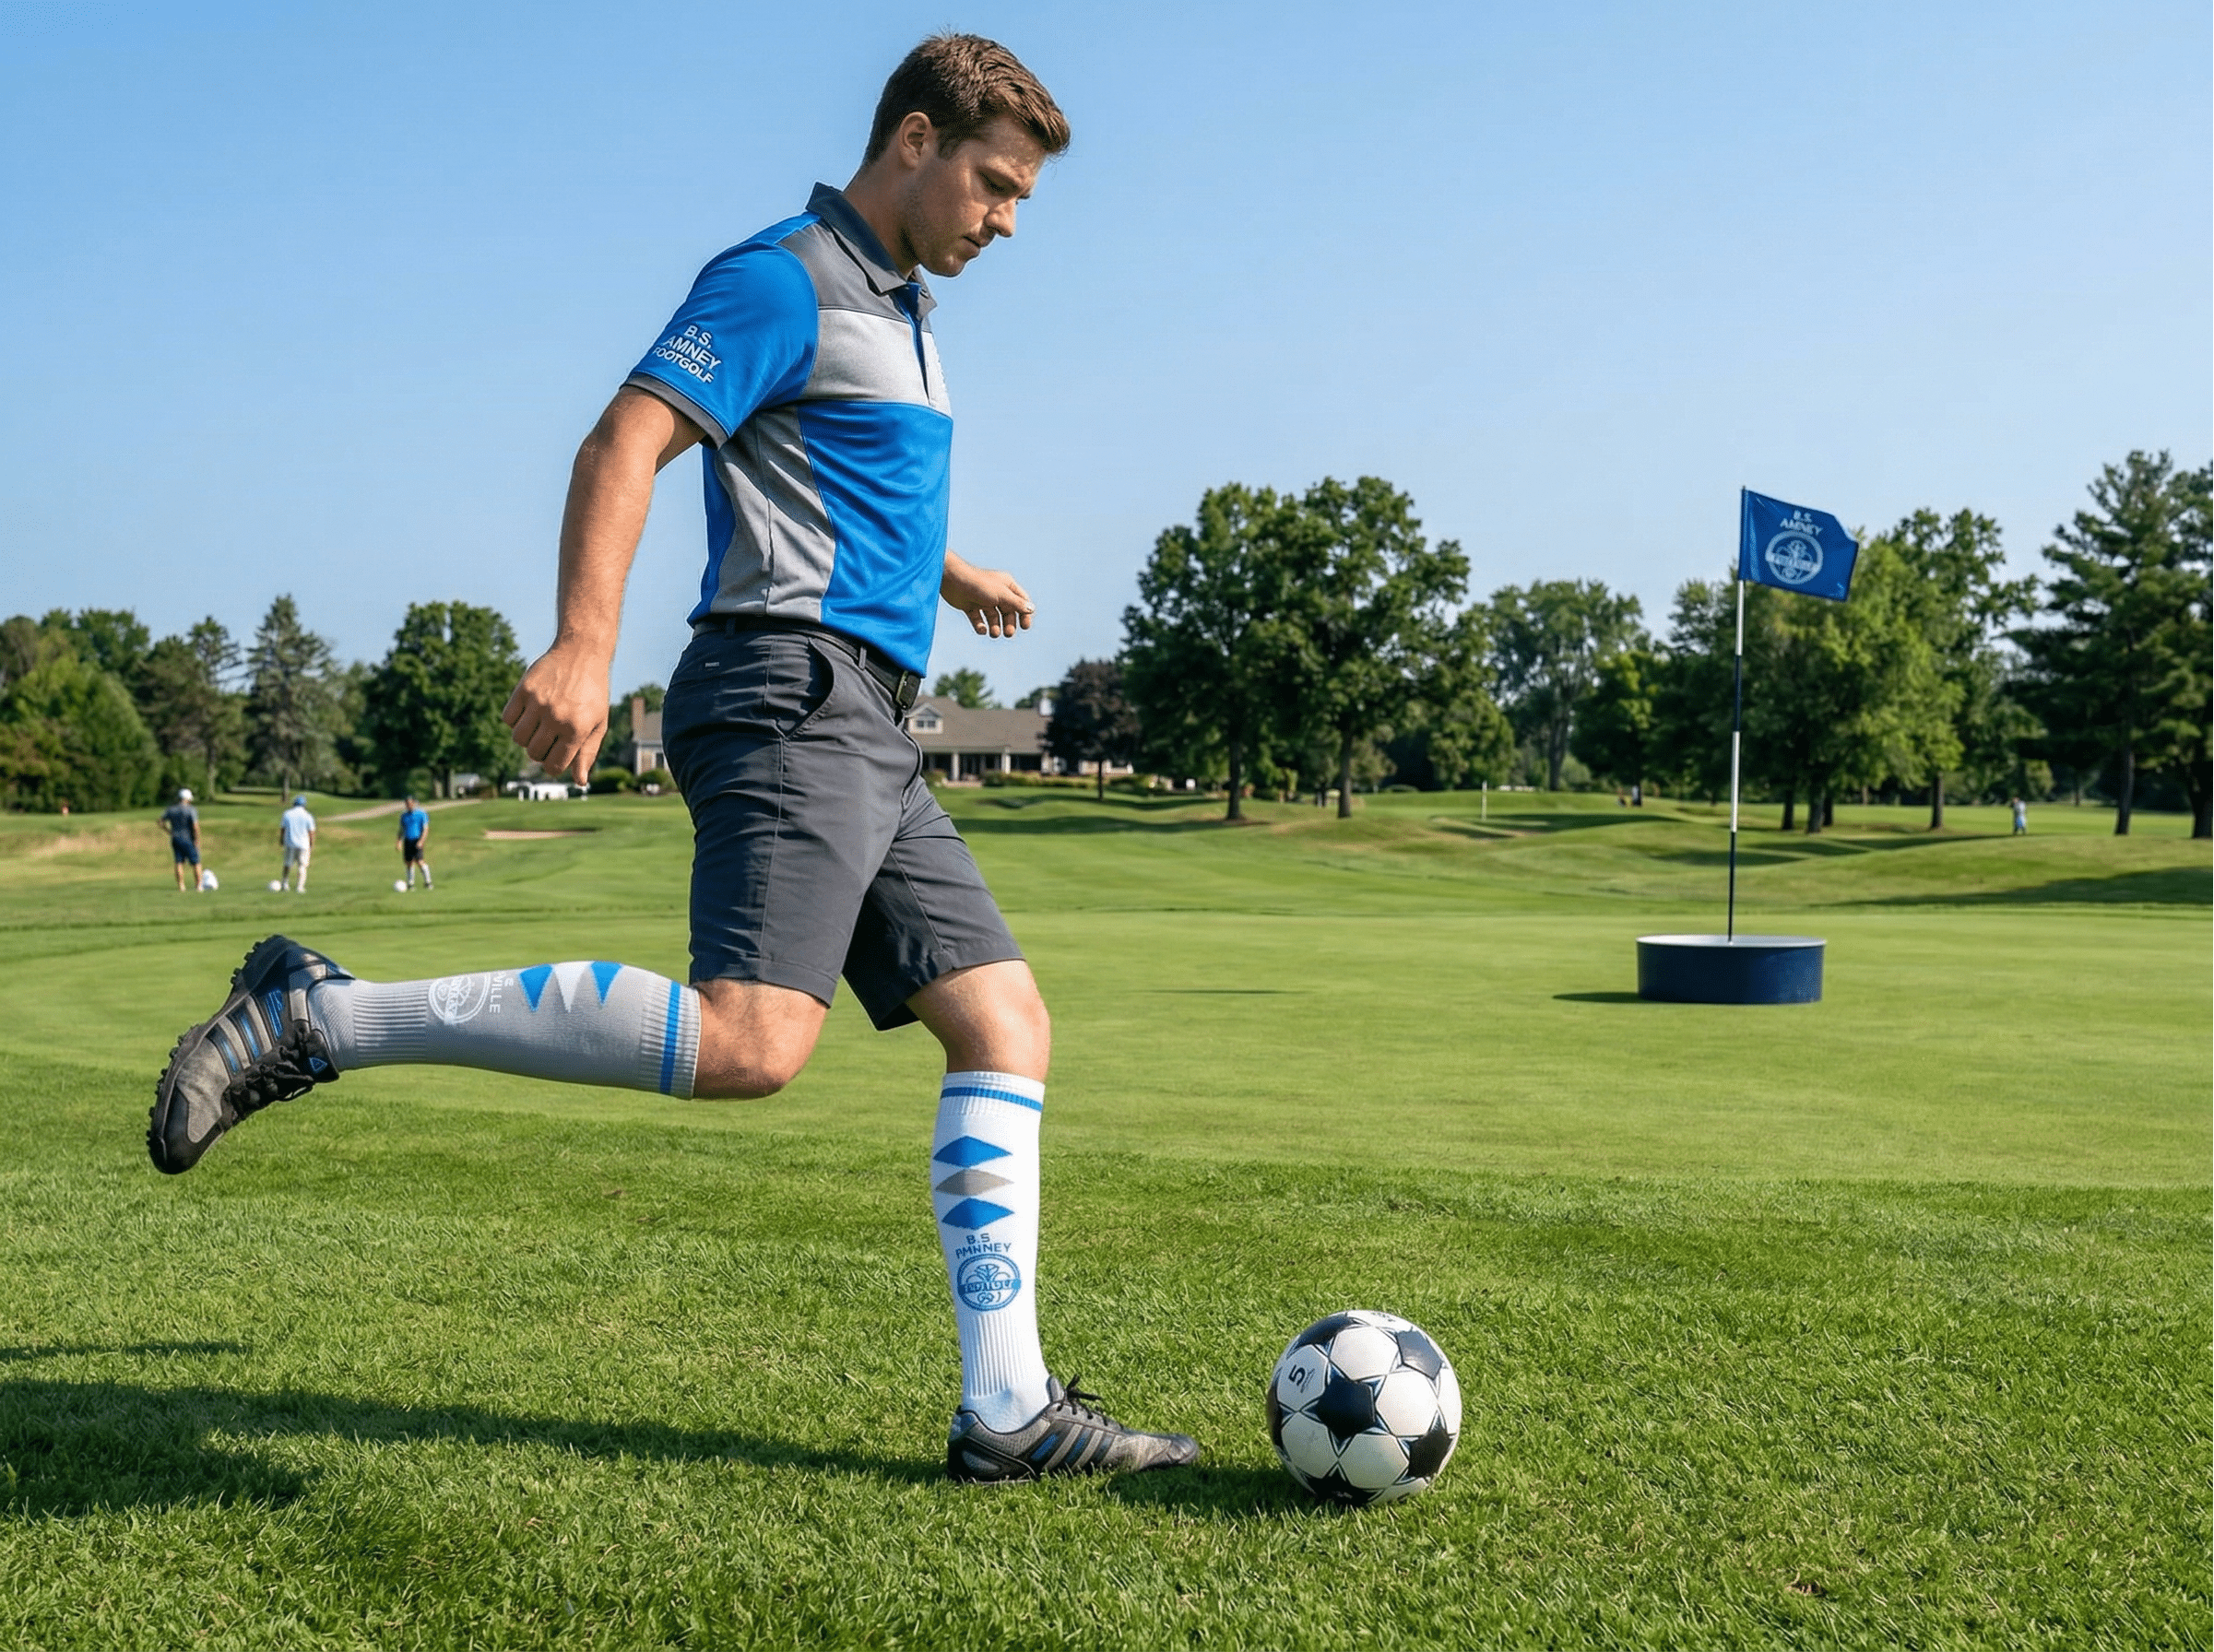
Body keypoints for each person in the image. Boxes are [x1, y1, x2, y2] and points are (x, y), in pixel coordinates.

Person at [148, 35, 1195, 1487]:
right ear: (911, 139)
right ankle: (318, 1013)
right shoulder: (780, 277)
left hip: (871, 713)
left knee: (1004, 1024)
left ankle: (1007, 1413)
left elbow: (827, 475)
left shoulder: (902, 311)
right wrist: (585, 643)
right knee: (755, 1040)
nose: (1006, 219)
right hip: (788, 691)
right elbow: (624, 441)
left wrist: (947, 575)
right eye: (996, 185)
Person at [161, 788, 203, 892]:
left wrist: (169, 831)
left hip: (175, 838)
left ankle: (181, 886)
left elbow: (160, 821)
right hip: (188, 838)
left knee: (179, 862)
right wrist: (197, 839)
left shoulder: (171, 809)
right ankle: (198, 885)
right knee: (196, 862)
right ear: (188, 799)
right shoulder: (191, 809)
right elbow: (195, 826)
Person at [277, 795, 316, 891]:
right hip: (303, 844)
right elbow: (311, 832)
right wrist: (312, 844)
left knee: (287, 864)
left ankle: (284, 884)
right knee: (302, 865)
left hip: (290, 843)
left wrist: (281, 840)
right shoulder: (308, 816)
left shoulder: (287, 814)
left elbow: (283, 829)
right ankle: (300, 886)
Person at [397, 796, 433, 890]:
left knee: (420, 861)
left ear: (414, 803)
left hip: (417, 839)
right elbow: (401, 829)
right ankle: (410, 884)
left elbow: (425, 829)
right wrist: (399, 842)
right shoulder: (404, 815)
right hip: (408, 840)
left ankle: (428, 882)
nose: (408, 806)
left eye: (410, 803)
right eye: (407, 804)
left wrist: (421, 841)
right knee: (409, 862)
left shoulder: (421, 814)